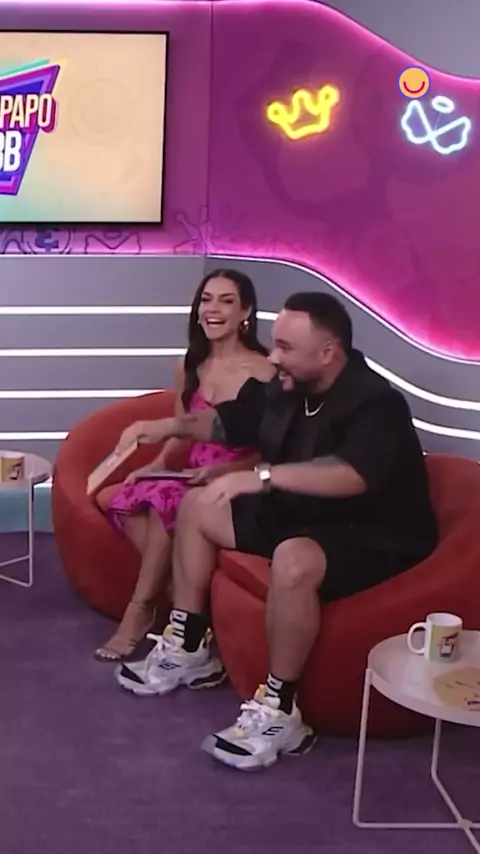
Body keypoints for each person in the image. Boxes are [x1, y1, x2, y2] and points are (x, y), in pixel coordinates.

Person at [113, 291, 438, 770]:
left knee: (293, 559)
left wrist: (263, 476)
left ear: (327, 352)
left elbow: (351, 474)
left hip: (373, 533)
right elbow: (228, 421)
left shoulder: (376, 402)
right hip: (304, 513)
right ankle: (190, 644)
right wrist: (164, 427)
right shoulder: (287, 385)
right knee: (199, 504)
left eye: (286, 347)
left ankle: (280, 711)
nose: (273, 357)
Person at [94, 269, 273, 662]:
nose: (213, 309)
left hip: (235, 477)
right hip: (190, 472)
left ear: (246, 311)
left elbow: (273, 448)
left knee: (167, 502)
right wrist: (157, 463)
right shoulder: (190, 364)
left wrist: (225, 471)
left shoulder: (263, 371)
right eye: (206, 300)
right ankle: (179, 594)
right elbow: (184, 427)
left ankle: (139, 611)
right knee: (127, 495)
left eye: (226, 301)